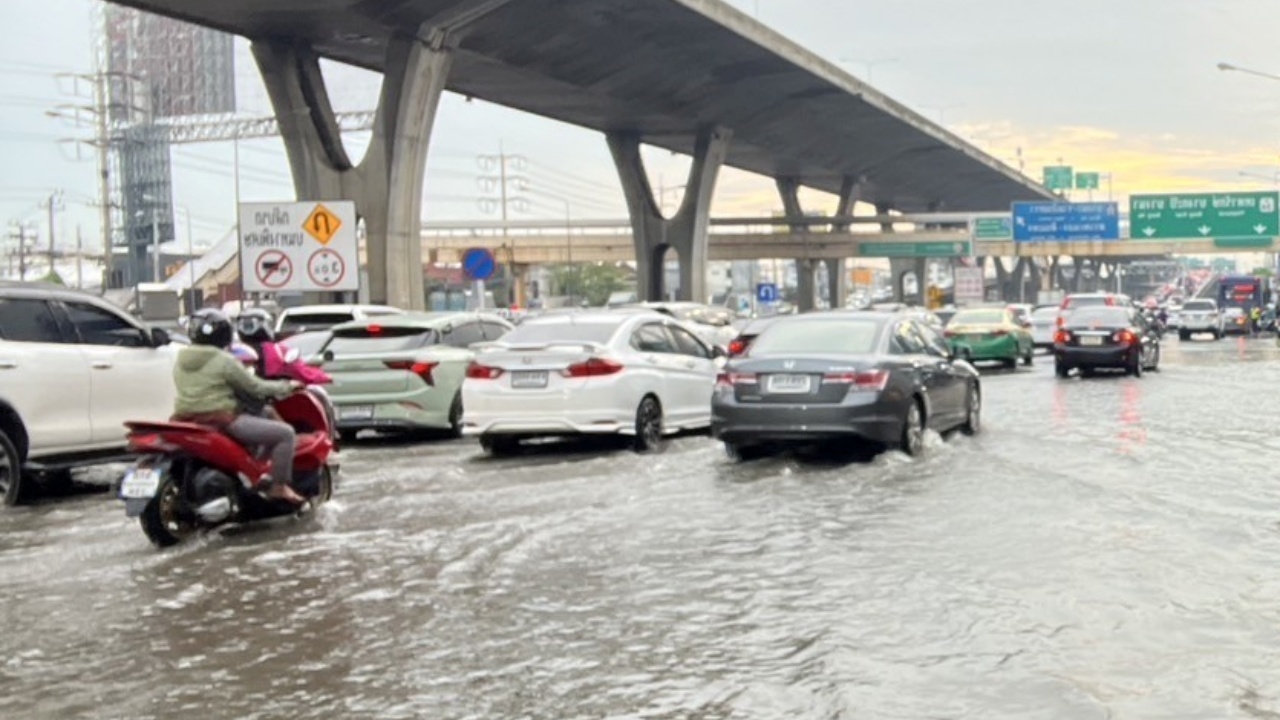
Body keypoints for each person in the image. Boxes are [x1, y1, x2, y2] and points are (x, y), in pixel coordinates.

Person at [173, 309, 306, 505]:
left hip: (185, 418)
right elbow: (255, 387)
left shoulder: (181, 359)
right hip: (221, 419)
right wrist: (287, 386)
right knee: (285, 434)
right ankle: (279, 487)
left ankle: (255, 471)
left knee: (267, 413)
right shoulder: (224, 360)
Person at [235, 309, 338, 441]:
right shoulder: (278, 350)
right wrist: (325, 377)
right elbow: (301, 372)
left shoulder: (231, 351)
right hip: (267, 399)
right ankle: (331, 437)